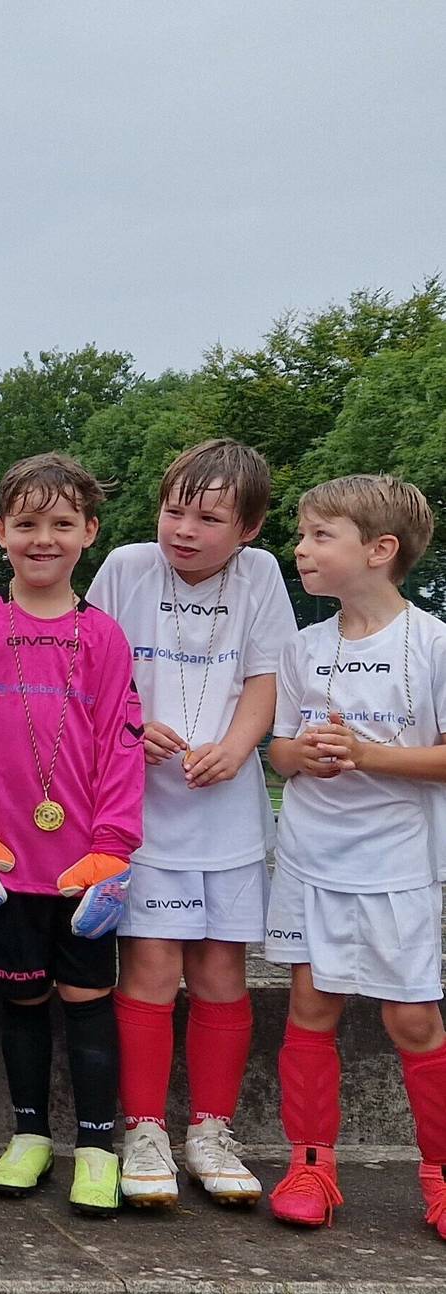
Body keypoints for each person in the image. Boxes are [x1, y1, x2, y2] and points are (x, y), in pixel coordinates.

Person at [86, 440, 296, 1209]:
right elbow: (96, 672)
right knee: (151, 967)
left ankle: (211, 1128)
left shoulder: (262, 576)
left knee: (219, 971)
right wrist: (133, 730)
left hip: (227, 808)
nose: (185, 529)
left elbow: (265, 675)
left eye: (209, 517)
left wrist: (241, 748)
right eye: (175, 509)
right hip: (142, 810)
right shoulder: (126, 568)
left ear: (249, 526)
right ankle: (143, 1128)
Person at [0, 453, 144, 1218]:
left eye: (62, 523)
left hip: (81, 865)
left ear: (89, 532)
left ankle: (97, 1146)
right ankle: (30, 1135)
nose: (43, 538)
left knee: (89, 998)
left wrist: (114, 847)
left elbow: (122, 744)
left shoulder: (104, 636)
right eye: (26, 523)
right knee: (22, 1004)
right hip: (0, 864)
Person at [263, 475, 446, 1234]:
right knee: (310, 1007)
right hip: (311, 856)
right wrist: (301, 754)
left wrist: (369, 756)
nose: (300, 549)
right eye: (302, 536)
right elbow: (275, 751)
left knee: (412, 1020)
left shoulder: (433, 642)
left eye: (318, 536)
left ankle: (439, 1175)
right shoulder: (303, 646)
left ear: (379, 549)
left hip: (397, 863)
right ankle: (311, 1166)